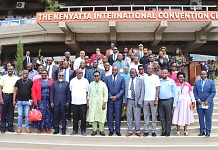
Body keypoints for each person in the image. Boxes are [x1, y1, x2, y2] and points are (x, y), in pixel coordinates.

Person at [194, 70, 216, 137]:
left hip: (207, 103)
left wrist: (208, 100)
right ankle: (202, 131)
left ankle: (208, 131)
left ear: (206, 75)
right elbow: (195, 92)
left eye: (204, 74)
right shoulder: (196, 83)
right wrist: (198, 99)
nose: (203, 75)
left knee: (208, 117)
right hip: (200, 103)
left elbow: (213, 92)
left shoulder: (211, 82)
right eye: (201, 74)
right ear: (200, 75)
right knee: (201, 117)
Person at [172, 72, 195, 136]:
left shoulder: (188, 85)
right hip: (178, 102)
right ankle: (178, 131)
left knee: (186, 116)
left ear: (184, 78)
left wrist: (193, 101)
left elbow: (191, 94)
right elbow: (174, 94)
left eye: (182, 77)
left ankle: (185, 131)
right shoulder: (175, 84)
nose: (181, 78)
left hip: (186, 102)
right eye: (179, 77)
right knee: (177, 116)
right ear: (177, 78)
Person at [123, 68, 145, 137]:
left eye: (134, 73)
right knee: (129, 116)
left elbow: (142, 92)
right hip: (129, 100)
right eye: (131, 73)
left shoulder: (140, 80)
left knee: (137, 116)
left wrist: (140, 101)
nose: (132, 74)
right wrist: (124, 101)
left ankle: (137, 130)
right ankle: (129, 130)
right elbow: (124, 91)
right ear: (129, 73)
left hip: (137, 100)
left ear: (136, 73)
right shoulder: (126, 80)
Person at [104, 66, 125, 136]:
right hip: (110, 100)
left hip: (118, 100)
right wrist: (110, 96)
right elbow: (106, 88)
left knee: (118, 115)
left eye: (116, 70)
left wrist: (117, 96)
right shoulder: (107, 78)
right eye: (113, 70)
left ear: (118, 70)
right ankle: (111, 130)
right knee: (110, 115)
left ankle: (117, 130)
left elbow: (123, 89)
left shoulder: (122, 78)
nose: (114, 71)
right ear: (111, 70)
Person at [31, 70, 54, 134]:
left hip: (49, 100)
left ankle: (47, 127)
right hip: (40, 100)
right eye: (42, 73)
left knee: (48, 114)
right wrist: (35, 100)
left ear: (47, 74)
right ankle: (40, 128)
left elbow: (53, 90)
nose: (43, 74)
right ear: (40, 74)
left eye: (45, 73)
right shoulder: (36, 81)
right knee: (40, 114)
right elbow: (33, 91)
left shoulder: (51, 80)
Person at [86, 71, 108, 136]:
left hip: (101, 103)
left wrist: (104, 103)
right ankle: (94, 130)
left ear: (100, 76)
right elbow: (89, 94)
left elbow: (105, 94)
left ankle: (101, 131)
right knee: (93, 116)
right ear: (93, 77)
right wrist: (88, 102)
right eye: (95, 76)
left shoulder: (103, 84)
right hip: (92, 103)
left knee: (101, 116)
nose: (96, 77)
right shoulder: (91, 84)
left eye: (97, 76)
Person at [70, 69, 89, 136]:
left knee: (83, 118)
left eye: (81, 73)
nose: (80, 74)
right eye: (79, 73)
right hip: (74, 102)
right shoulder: (72, 81)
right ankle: (75, 130)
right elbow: (71, 91)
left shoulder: (85, 81)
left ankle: (83, 130)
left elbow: (87, 91)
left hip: (83, 102)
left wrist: (87, 101)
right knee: (75, 117)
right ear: (76, 73)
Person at [159, 69, 178, 136]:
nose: (164, 74)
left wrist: (174, 103)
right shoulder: (159, 81)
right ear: (161, 74)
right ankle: (163, 131)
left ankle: (168, 131)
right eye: (163, 73)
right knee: (162, 117)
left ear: (167, 74)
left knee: (168, 117)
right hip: (160, 101)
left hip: (168, 100)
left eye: (165, 73)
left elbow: (175, 92)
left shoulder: (171, 81)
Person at [0, 66, 19, 133]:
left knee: (11, 113)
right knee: (3, 113)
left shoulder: (16, 78)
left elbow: (16, 89)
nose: (10, 70)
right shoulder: (3, 77)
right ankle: (3, 127)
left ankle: (10, 127)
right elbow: (0, 88)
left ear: (13, 70)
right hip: (4, 95)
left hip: (12, 96)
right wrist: (1, 98)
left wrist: (15, 99)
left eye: (11, 69)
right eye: (9, 69)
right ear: (7, 70)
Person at [143, 65, 160, 137]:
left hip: (153, 99)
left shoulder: (156, 77)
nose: (149, 70)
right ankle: (146, 130)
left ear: (153, 69)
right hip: (145, 99)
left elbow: (157, 89)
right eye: (148, 68)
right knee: (146, 116)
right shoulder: (144, 77)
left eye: (151, 68)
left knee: (153, 116)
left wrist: (156, 99)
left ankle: (153, 130)